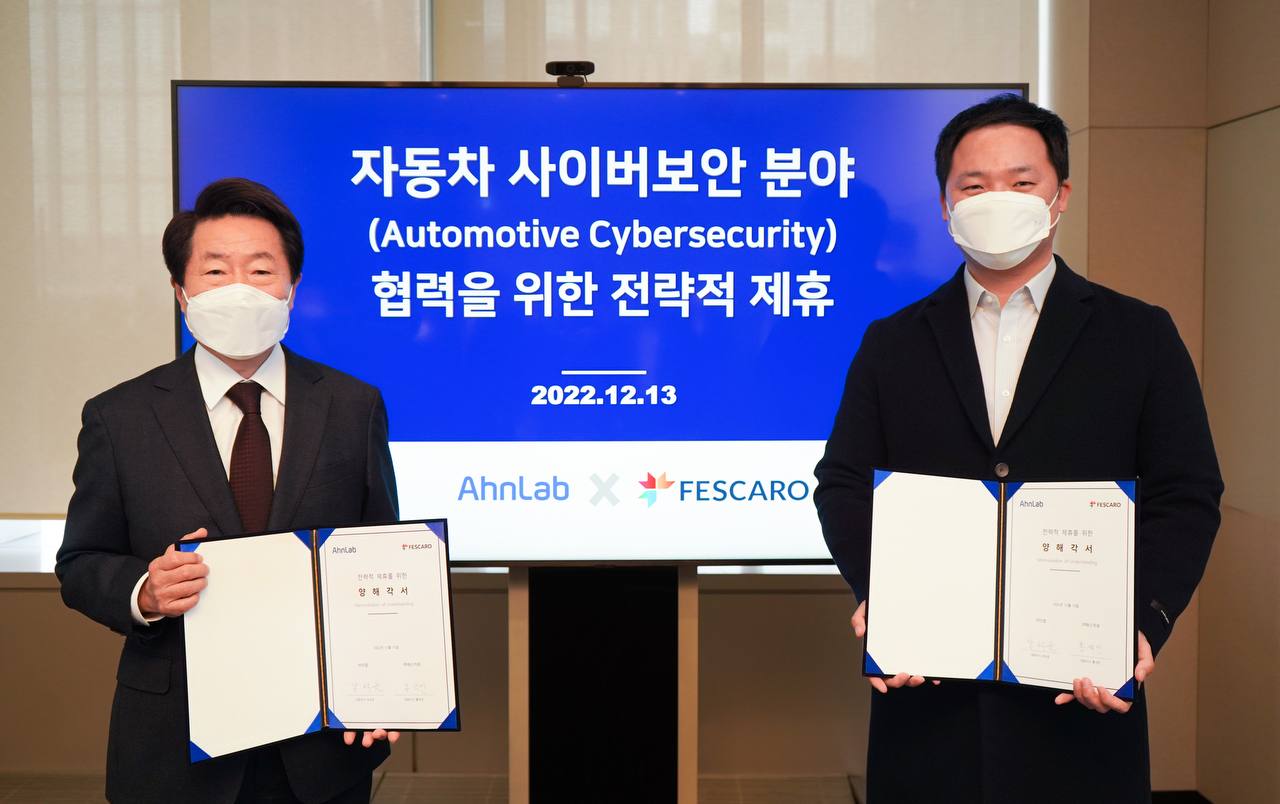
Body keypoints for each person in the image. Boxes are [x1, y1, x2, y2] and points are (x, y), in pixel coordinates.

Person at [814, 94, 1222, 803]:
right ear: (945, 205)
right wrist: (884, 594)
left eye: (1022, 181)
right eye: (973, 185)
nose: (997, 199)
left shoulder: (1140, 336)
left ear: (1061, 196)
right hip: (929, 709)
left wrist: (1140, 623)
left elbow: (1186, 493)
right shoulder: (893, 341)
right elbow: (842, 482)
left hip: (1080, 710)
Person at [56, 178, 401, 804]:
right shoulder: (120, 416)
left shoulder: (353, 407)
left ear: (292, 287)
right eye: (216, 270)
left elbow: (380, 558)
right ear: (181, 291)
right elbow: (81, 563)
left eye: (261, 270)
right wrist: (145, 590)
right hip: (176, 743)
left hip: (320, 747)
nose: (239, 288)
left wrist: (383, 683)